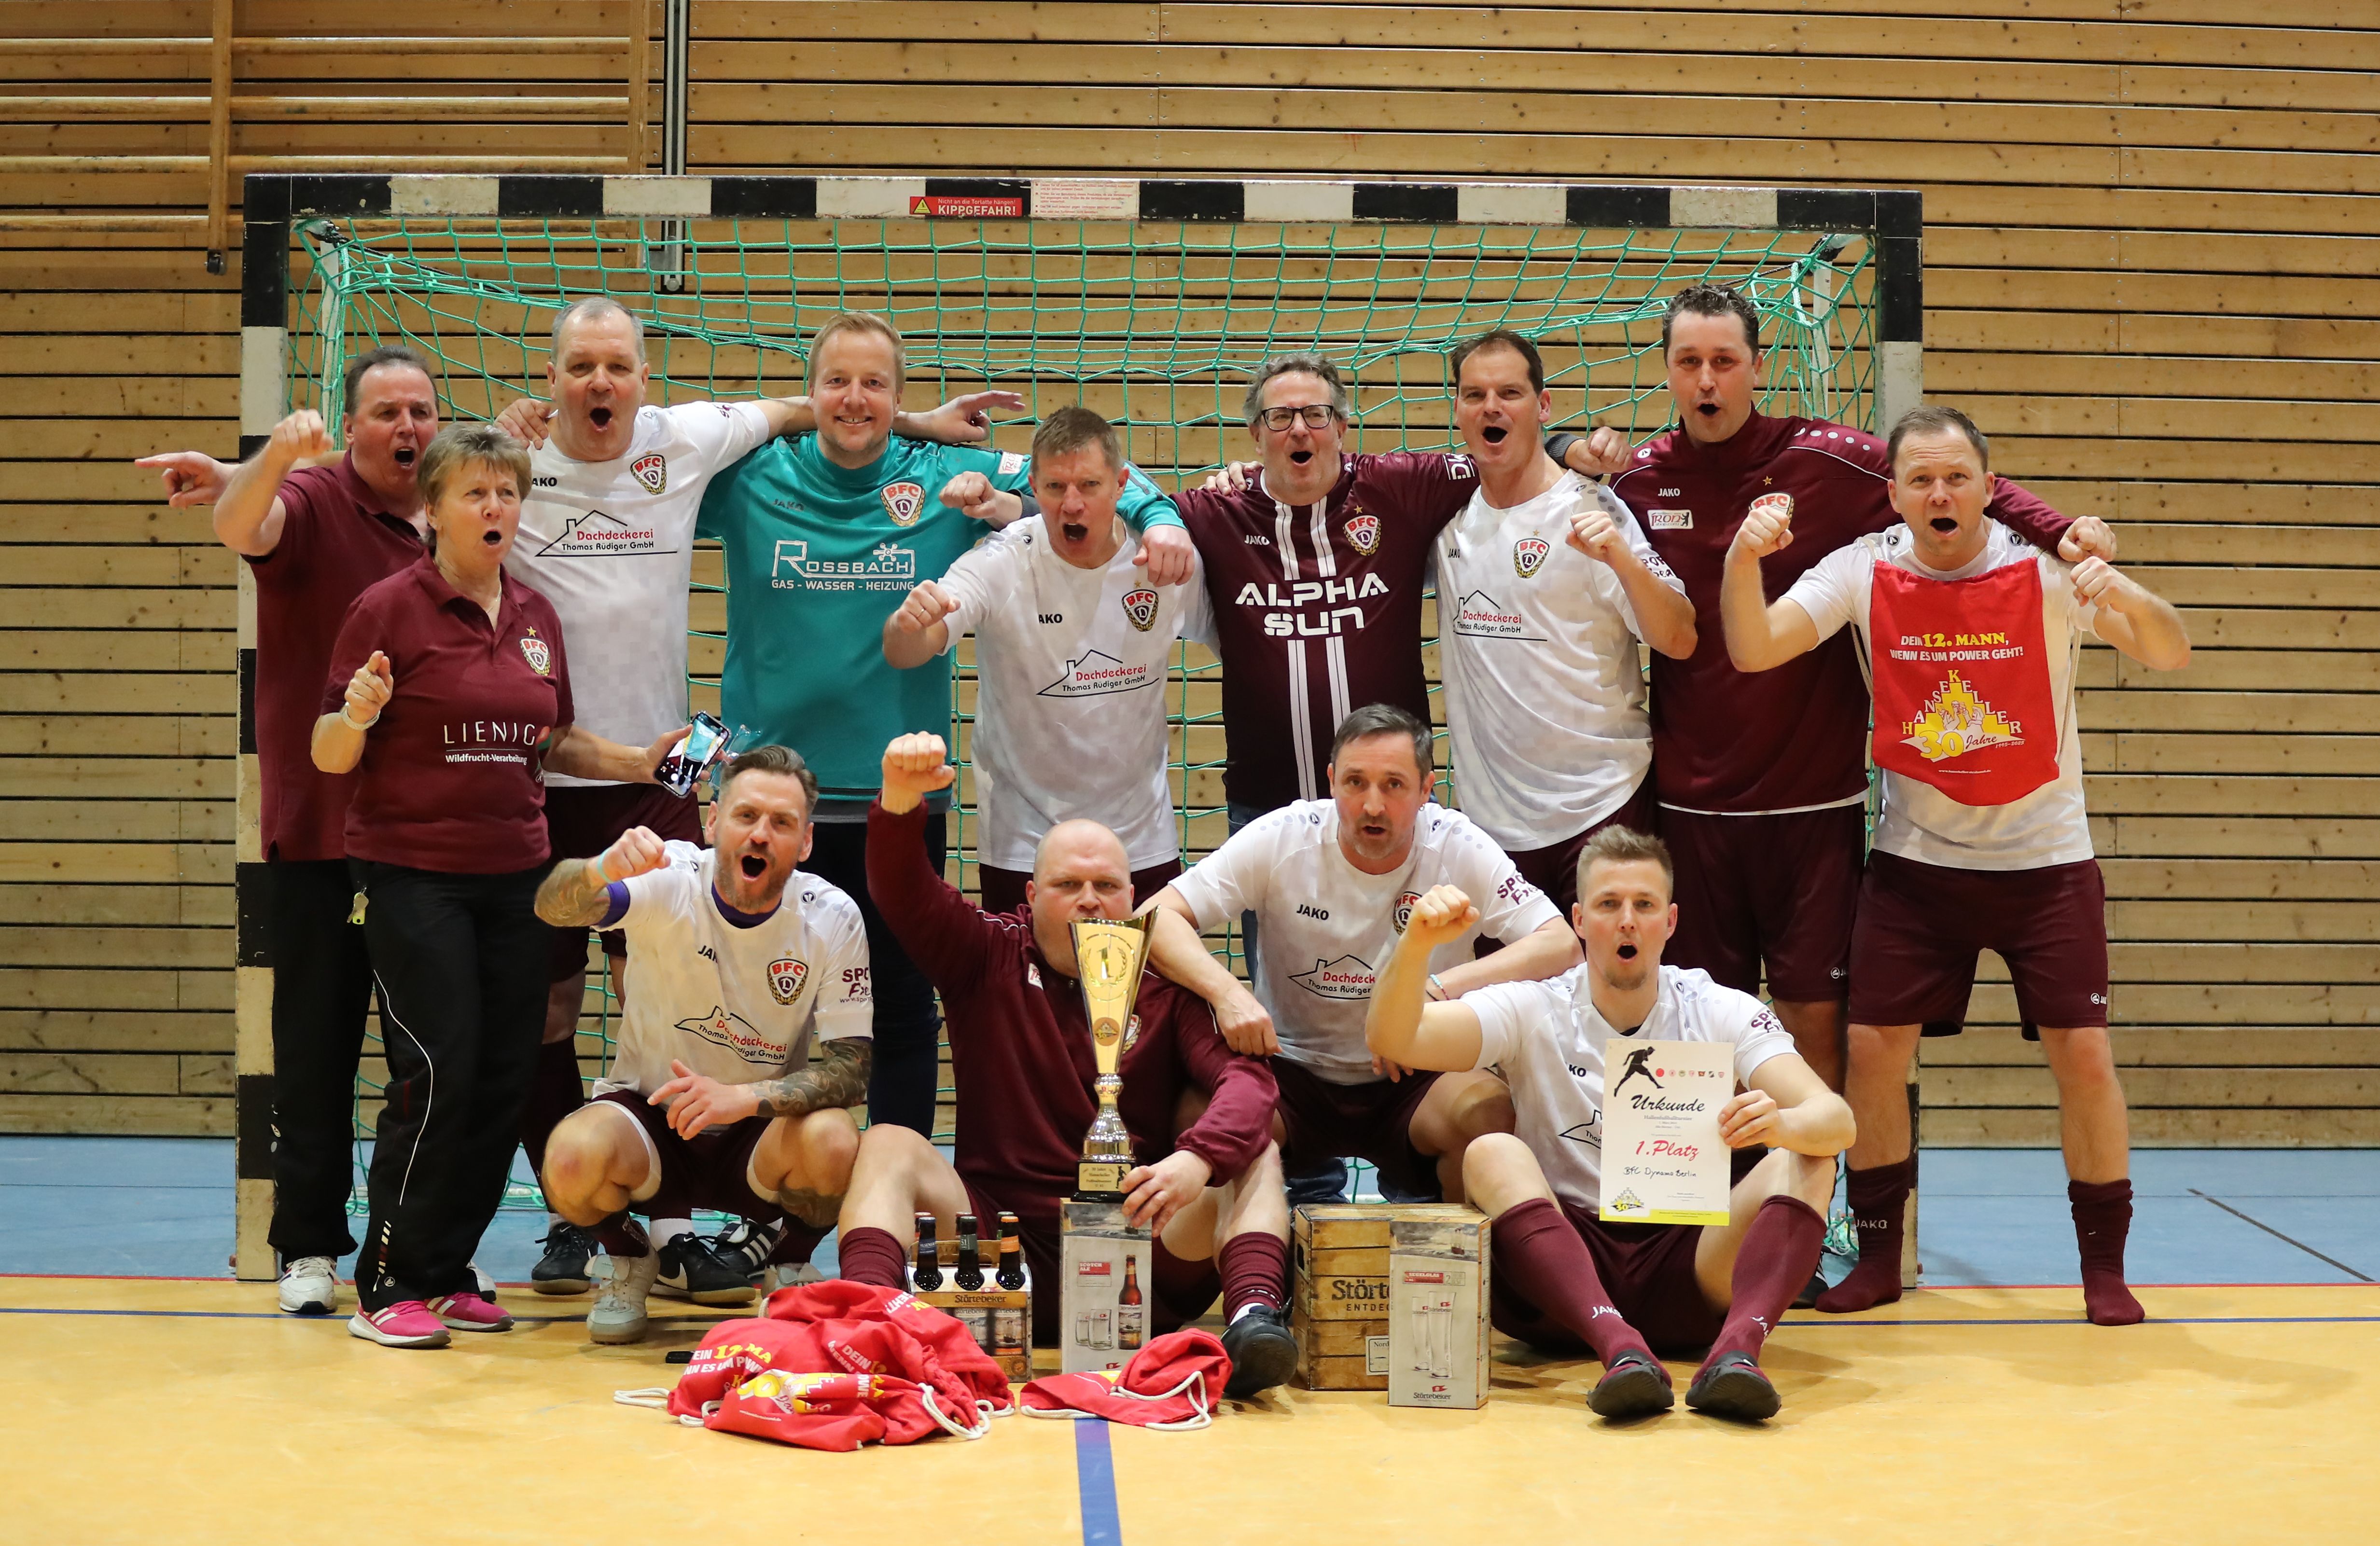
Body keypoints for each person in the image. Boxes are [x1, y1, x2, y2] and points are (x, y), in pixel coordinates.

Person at [488, 299, 1014, 1295]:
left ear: (646, 375)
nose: (600, 383)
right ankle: (596, 1231)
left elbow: (1053, 491)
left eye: (619, 365)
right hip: (598, 775)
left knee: (840, 1012)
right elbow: (800, 414)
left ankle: (839, 1235)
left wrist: (931, 430)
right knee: (553, 1012)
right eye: (579, 367)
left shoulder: (697, 447)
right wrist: (507, 425)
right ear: (553, 376)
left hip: (766, 787)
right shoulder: (546, 466)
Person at [1720, 404, 2190, 1326]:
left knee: (2084, 1057)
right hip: (1916, 863)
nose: (1940, 494)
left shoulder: (2045, 571)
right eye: (1921, 480)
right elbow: (1753, 645)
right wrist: (1742, 557)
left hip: (2048, 861)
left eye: (1957, 478)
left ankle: (2104, 1269)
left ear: (1988, 487)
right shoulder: (1864, 567)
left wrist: (2121, 590)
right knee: (1871, 1052)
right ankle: (1883, 1256)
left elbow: (2170, 649)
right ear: (1893, 494)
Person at [1581, 285, 2113, 1090]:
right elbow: (1554, 482)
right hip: (1690, 809)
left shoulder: (1828, 458)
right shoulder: (1640, 481)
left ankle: (1808, 1210)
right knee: (1688, 1023)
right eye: (1688, 362)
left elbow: (1952, 481)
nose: (1707, 381)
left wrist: (2056, 528)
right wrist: (1560, 444)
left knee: (1812, 1023)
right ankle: (1702, 1214)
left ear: (1758, 366)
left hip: (1813, 807)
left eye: (1724, 361)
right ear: (1666, 370)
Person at [694, 311, 1194, 1141]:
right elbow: (649, 470)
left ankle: (898, 1198)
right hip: (768, 799)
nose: (855, 399)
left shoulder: (950, 473)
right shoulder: (752, 474)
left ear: (901, 393)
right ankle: (751, 1216)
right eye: (837, 382)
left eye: (877, 385)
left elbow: (1094, 474)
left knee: (900, 1007)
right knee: (752, 1006)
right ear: (809, 389)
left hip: (894, 798)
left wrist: (1165, 520)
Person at [1174, 352, 1607, 1203]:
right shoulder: (1215, 509)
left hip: (1400, 815)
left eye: (1316, 414)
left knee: (1425, 998)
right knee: (1295, 1005)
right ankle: (1306, 1187)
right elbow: (1128, 501)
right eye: (1279, 418)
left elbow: (1500, 444)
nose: (1300, 430)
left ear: (1344, 424)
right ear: (1255, 435)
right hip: (1271, 808)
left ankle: (1423, 1186)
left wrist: (1565, 439)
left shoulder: (1402, 486)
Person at [312, 424, 676, 1349]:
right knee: (437, 1071)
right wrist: (355, 713)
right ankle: (386, 1279)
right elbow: (326, 753)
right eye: (475, 493)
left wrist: (636, 757)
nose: (495, 509)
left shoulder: (536, 616)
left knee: (506, 1074)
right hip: (412, 877)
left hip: (520, 873)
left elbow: (550, 739)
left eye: (508, 493)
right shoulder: (387, 608)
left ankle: (445, 1269)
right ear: (432, 509)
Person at [843, 732, 1298, 1397]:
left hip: (1140, 1251)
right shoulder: (984, 956)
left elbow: (1250, 1084)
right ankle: (865, 1321)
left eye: (1107, 886)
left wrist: (1195, 1159)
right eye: (1067, 885)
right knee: (885, 1143)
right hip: (998, 1254)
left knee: (1252, 1152)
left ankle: (1255, 1319)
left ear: (1133, 896)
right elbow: (903, 892)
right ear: (1030, 897)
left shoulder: (1166, 981)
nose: (1089, 899)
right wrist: (902, 802)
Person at [136, 347, 436, 1318]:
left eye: (421, 412)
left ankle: (409, 1257)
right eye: (386, 411)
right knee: (312, 1055)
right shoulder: (308, 500)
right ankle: (308, 1247)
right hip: (315, 836)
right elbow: (239, 525)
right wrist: (265, 459)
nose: (406, 428)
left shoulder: (448, 525)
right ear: (350, 428)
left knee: (421, 1063)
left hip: (424, 843)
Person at [1365, 830, 1854, 1421]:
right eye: (1607, 905)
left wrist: (1783, 1123)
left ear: (1670, 921)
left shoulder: (1716, 1007)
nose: (1627, 921)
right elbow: (1394, 1039)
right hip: (1560, 1280)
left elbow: (1836, 1119)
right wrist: (1415, 947)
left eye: (1644, 906)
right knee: (1490, 1150)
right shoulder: (1532, 1005)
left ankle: (1736, 1357)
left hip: (1687, 1267)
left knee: (1806, 1156)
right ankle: (1618, 1350)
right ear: (1577, 920)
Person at [1141, 704, 1580, 1203]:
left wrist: (1440, 991)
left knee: (1489, 1118)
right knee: (1200, 1120)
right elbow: (1154, 917)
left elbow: (1560, 944)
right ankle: (1257, 1273)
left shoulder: (1457, 845)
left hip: (1416, 1074)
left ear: (1424, 790)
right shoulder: (1283, 836)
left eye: (1393, 785)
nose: (1372, 805)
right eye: (1355, 783)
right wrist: (1226, 992)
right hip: (1291, 1071)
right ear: (1331, 782)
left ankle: (1449, 1272)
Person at [528, 745, 872, 1343]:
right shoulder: (670, 877)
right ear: (713, 823)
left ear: (807, 842)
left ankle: (787, 1264)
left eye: (781, 823)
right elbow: (551, 906)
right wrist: (596, 871)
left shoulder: (832, 917)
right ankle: (631, 1259)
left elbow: (852, 1069)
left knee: (835, 1137)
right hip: (650, 1120)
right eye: (746, 816)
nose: (761, 835)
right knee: (569, 1156)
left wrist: (744, 1099)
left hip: (753, 1129)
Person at [882, 405, 1211, 915]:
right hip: (1024, 846)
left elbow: (1242, 648)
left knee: (1141, 997)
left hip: (1139, 843)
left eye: (1089, 485)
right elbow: (905, 652)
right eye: (1055, 488)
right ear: (1033, 488)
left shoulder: (1165, 566)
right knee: (1026, 998)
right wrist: (907, 624)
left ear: (1122, 485)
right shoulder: (1000, 561)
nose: (1072, 504)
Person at [1434, 331, 1696, 911]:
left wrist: (1622, 561)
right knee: (1505, 999)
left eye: (1509, 393)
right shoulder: (1442, 510)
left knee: (1609, 994)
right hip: (1489, 828)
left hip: (1602, 807)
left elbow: (1679, 637)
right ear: (1457, 408)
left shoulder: (1590, 507)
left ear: (1542, 405)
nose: (1491, 407)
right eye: (1474, 395)